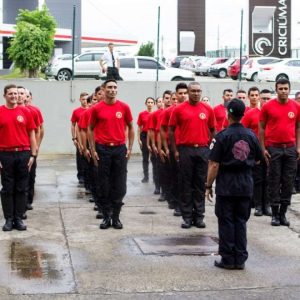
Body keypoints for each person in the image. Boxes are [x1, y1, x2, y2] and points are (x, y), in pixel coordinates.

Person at [206, 99, 263, 270]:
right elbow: (259, 159)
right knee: (240, 221)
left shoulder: (222, 137)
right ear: (243, 115)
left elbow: (214, 164)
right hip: (245, 184)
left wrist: (208, 185)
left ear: (227, 114)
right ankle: (240, 258)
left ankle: (228, 258)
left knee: (226, 222)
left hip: (227, 185)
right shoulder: (251, 135)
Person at [89, 79, 134, 230]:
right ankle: (106, 216)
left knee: (120, 185)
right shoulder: (97, 109)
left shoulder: (124, 107)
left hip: (119, 149)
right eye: (109, 87)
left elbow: (131, 127)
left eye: (115, 87)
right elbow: (90, 129)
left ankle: (116, 217)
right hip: (103, 149)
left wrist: (130, 147)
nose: (112, 90)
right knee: (104, 184)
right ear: (103, 89)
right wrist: (93, 149)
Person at [169, 82, 215, 229]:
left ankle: (199, 217)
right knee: (186, 185)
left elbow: (213, 129)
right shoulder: (179, 109)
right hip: (185, 150)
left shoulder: (207, 109)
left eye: (198, 91)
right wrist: (175, 150)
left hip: (202, 150)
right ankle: (187, 217)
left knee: (200, 185)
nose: (196, 93)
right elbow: (171, 130)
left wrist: (210, 147)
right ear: (188, 92)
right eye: (193, 91)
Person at [259, 78, 300, 227]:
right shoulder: (268, 107)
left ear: (289, 89)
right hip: (273, 148)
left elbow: (298, 127)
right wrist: (262, 148)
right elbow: (262, 128)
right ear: (276, 90)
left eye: (286, 88)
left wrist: (298, 146)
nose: (283, 91)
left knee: (288, 181)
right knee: (274, 181)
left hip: (290, 148)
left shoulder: (296, 106)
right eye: (281, 88)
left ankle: (283, 213)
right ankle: (274, 214)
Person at [0, 84, 37, 231]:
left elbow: (32, 134)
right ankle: (9, 219)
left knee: (22, 187)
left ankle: (19, 218)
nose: (14, 96)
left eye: (16, 94)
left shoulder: (25, 112)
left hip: (23, 153)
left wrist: (33, 155)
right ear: (5, 95)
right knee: (7, 188)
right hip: (5, 154)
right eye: (10, 94)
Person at [242, 88, 272, 217]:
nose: (265, 101)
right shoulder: (251, 113)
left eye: (268, 98)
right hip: (255, 151)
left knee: (270, 178)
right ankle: (258, 205)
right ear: (259, 98)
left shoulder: (274, 113)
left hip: (271, 149)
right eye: (263, 98)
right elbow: (243, 132)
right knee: (258, 179)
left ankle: (268, 205)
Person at [160, 82, 188, 216]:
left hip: (188, 148)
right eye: (179, 95)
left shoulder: (192, 109)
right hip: (174, 147)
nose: (181, 97)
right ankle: (176, 202)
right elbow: (163, 130)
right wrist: (166, 147)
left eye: (184, 94)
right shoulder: (169, 112)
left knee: (187, 178)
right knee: (175, 175)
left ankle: (187, 204)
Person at [71, 92, 88, 185]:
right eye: (83, 99)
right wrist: (74, 138)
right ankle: (81, 176)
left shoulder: (91, 110)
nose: (85, 101)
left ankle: (88, 175)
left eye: (86, 99)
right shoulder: (76, 111)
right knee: (80, 157)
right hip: (79, 137)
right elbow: (73, 125)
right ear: (80, 100)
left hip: (89, 137)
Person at [137, 97, 155, 183]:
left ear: (154, 104)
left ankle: (155, 176)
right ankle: (146, 176)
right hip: (144, 136)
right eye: (148, 102)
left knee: (154, 157)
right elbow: (139, 127)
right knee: (145, 157)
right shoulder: (142, 114)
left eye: (151, 102)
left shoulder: (155, 114)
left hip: (153, 136)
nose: (150, 104)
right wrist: (139, 139)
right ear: (146, 103)